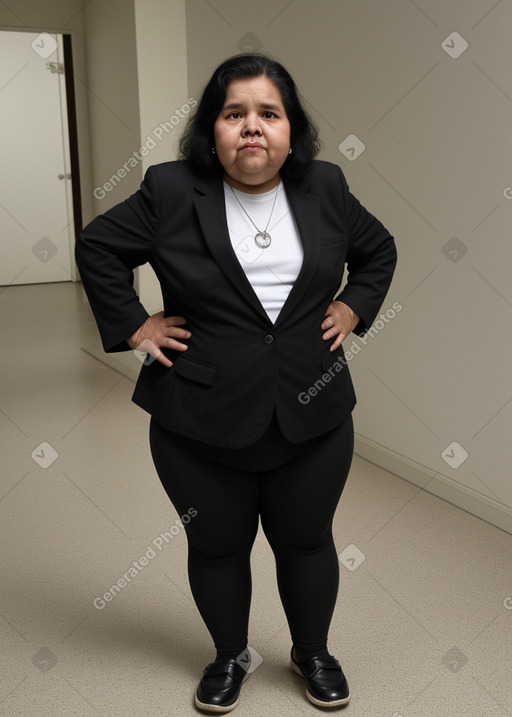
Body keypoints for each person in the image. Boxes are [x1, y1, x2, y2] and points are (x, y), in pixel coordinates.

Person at [76, 53, 397, 713]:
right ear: (212, 129)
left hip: (314, 414)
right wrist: (136, 326)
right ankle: (229, 656)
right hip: (197, 415)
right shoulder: (170, 190)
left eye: (268, 114)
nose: (252, 127)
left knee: (306, 540)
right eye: (234, 114)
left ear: (290, 129)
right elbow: (98, 246)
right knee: (217, 545)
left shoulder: (326, 188)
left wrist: (355, 304)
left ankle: (313, 651)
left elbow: (379, 249)